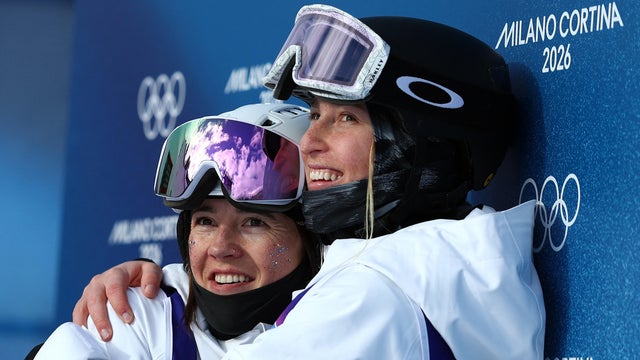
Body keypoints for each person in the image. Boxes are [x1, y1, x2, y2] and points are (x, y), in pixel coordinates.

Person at [71, 4, 546, 359]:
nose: (312, 141)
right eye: (315, 113)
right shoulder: (451, 260)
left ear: (424, 143)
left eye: (344, 119)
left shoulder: (373, 295)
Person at [32, 103, 322, 359]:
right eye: (206, 222)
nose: (220, 247)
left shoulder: (346, 322)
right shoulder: (144, 312)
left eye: (254, 223)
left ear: (311, 235)